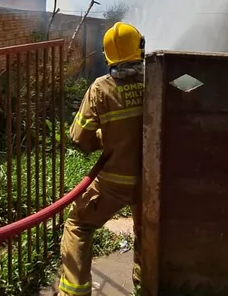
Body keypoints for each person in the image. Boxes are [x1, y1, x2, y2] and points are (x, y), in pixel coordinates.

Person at [58, 22, 146, 296]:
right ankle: (145, 286)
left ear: (108, 55)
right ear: (140, 49)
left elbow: (78, 137)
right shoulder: (155, 82)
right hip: (151, 182)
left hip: (114, 182)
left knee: (78, 224)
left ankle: (74, 292)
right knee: (147, 233)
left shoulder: (101, 88)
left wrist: (102, 136)